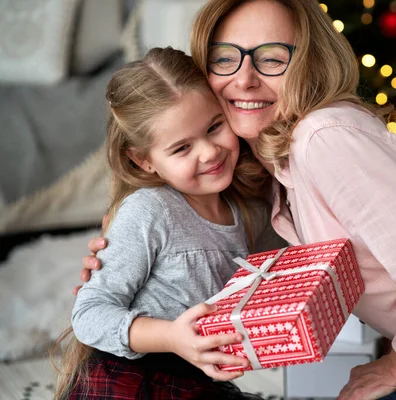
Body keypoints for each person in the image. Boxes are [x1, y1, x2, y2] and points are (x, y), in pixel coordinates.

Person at [81, 1, 396, 399]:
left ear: (306, 63)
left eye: (271, 58)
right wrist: (126, 243)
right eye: (225, 58)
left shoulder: (323, 140)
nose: (244, 77)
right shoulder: (274, 169)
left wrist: (395, 365)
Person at [56, 47, 279, 400]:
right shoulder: (149, 210)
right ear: (144, 161)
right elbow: (89, 315)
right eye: (181, 148)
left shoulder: (249, 208)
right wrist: (173, 336)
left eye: (214, 127)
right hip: (134, 381)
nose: (208, 152)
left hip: (195, 380)